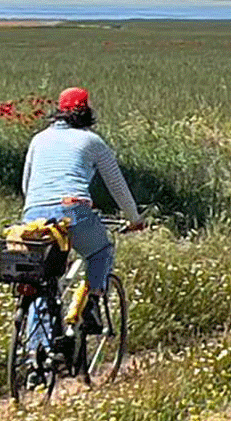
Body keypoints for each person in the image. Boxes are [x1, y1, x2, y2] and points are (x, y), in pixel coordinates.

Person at [21, 86, 145, 333]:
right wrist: (134, 219)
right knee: (101, 251)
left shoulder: (38, 139)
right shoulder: (91, 140)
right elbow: (117, 185)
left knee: (41, 280)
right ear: (86, 112)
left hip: (33, 215)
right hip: (72, 211)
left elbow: (26, 184)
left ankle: (38, 358)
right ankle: (93, 306)